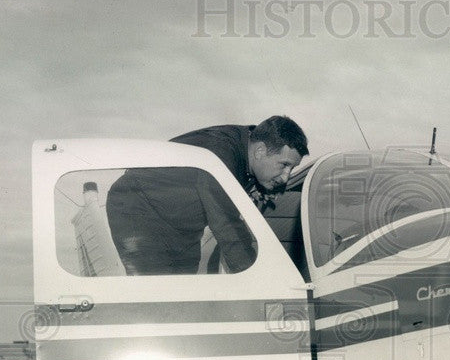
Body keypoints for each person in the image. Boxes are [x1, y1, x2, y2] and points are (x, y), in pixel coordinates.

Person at [105, 116, 308, 275]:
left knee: (185, 292)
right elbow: (227, 224)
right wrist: (258, 275)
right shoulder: (221, 153)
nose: (285, 177)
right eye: (284, 165)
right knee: (159, 290)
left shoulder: (247, 147)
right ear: (260, 151)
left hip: (179, 223)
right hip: (137, 207)